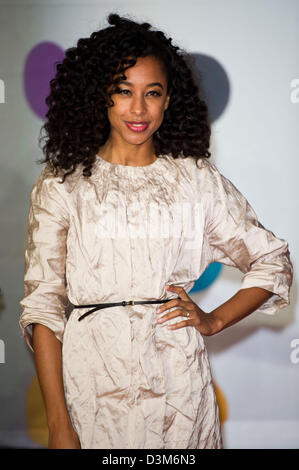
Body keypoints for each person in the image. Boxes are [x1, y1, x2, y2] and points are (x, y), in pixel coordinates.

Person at [19, 13, 293, 450]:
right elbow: (44, 309)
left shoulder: (195, 180)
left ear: (169, 100)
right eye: (123, 91)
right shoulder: (62, 185)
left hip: (178, 384)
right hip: (91, 382)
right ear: (100, 96)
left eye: (153, 93)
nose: (138, 109)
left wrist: (215, 318)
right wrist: (58, 425)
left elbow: (271, 259)